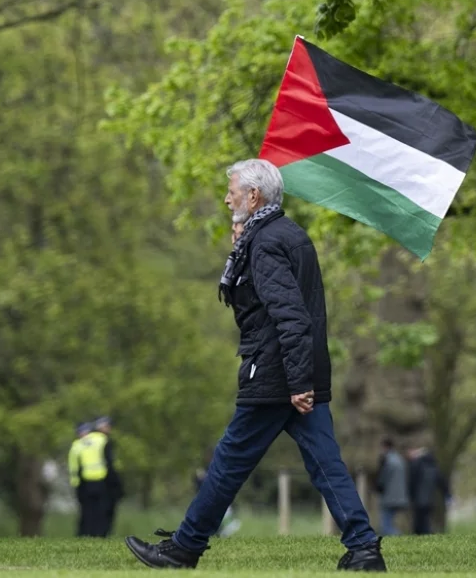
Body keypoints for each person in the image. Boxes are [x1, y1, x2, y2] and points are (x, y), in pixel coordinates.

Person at [125, 159, 385, 572]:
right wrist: (243, 247)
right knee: (325, 461)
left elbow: (290, 317)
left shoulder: (264, 244)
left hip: (278, 373)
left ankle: (185, 548)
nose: (226, 198)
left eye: (232, 190)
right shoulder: (286, 235)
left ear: (253, 195)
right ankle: (364, 548)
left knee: (228, 460)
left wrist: (297, 383)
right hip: (301, 367)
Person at [74, 421, 113, 537]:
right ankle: (97, 534)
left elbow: (74, 467)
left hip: (85, 482)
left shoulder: (77, 445)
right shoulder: (101, 439)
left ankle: (86, 534)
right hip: (100, 481)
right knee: (98, 511)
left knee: (88, 512)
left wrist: (76, 483)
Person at [406, 446, 450, 535]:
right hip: (430, 499)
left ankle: (423, 535)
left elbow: (412, 482)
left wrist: (410, 495)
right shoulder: (434, 468)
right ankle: (426, 535)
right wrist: (447, 494)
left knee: (419, 521)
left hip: (418, 498)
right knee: (425, 519)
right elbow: (442, 483)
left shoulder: (416, 466)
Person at [95, 416, 124, 537]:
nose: (109, 428)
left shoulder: (89, 441)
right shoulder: (102, 441)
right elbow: (109, 463)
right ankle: (102, 534)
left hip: (96, 482)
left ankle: (99, 534)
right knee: (104, 513)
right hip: (104, 482)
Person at [375, 438, 408, 536]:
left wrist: (378, 486)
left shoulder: (387, 461)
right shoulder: (400, 459)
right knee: (389, 521)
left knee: (385, 525)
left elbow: (383, 478)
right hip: (400, 496)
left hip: (389, 496)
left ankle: (398, 536)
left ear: (385, 447)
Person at [68, 421, 95, 536]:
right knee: (86, 512)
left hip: (91, 481)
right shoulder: (77, 446)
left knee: (92, 511)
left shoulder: (90, 444)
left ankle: (90, 533)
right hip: (82, 483)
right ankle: (84, 533)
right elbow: (73, 466)